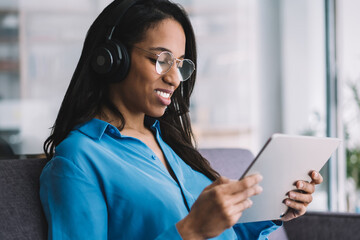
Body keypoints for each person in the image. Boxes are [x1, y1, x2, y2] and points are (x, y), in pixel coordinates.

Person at [40, 0, 323, 239]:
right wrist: (192, 230)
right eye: (161, 59)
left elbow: (225, 234)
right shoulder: (79, 159)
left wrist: (273, 208)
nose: (174, 78)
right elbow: (198, 231)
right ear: (113, 59)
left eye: (179, 64)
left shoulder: (172, 144)